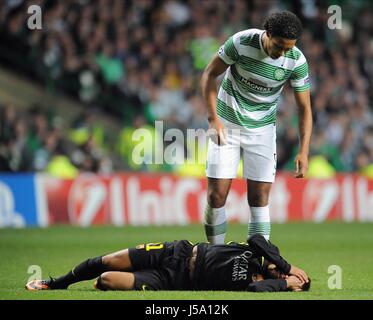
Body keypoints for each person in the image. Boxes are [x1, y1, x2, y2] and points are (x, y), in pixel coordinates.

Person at [200, 11, 312, 243]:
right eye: (279, 45)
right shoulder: (241, 42)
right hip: (226, 125)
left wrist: (303, 150)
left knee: (259, 197)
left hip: (262, 131)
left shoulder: (297, 61)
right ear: (268, 33)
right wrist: (213, 119)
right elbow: (209, 74)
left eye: (288, 48)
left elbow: (305, 109)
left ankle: (257, 259)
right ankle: (214, 257)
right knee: (217, 195)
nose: (282, 53)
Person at [25, 234, 310, 292]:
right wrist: (287, 268)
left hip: (174, 281)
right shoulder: (260, 255)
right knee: (108, 259)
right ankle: (57, 284)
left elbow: (256, 292)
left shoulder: (262, 284)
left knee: (107, 279)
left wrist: (284, 284)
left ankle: (111, 281)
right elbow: (258, 237)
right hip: (177, 252)